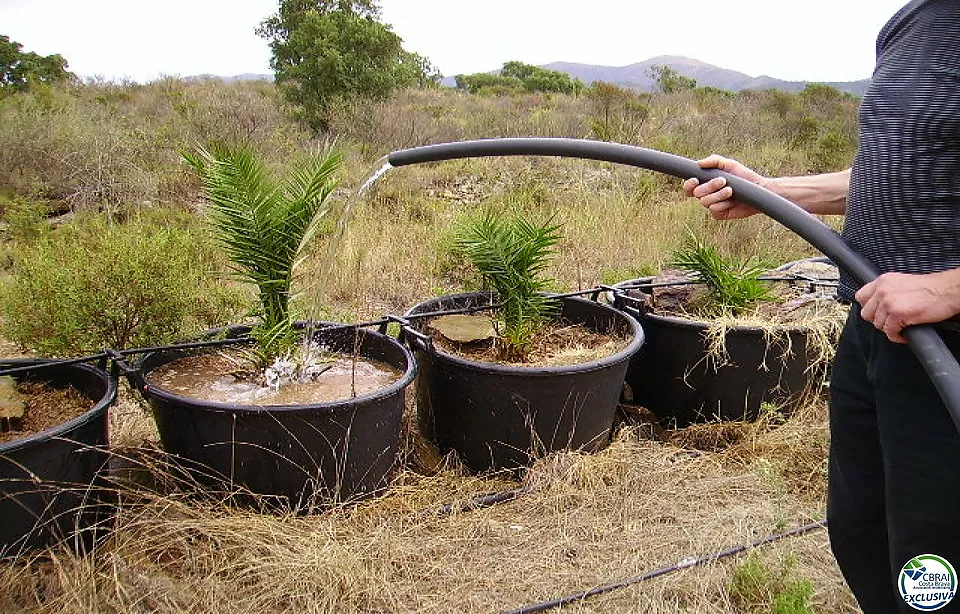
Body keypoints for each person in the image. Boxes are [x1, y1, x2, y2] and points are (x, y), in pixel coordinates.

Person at [682, 1, 960, 612]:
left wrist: (948, 287)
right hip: (875, 330)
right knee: (862, 528)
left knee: (935, 557)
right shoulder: (913, 22)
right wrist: (774, 193)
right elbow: (897, 170)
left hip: (950, 347)